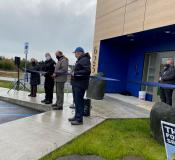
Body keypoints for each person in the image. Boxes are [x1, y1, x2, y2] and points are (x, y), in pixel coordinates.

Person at [69, 47, 91, 125]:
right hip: (76, 83)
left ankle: (79, 119)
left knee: (79, 102)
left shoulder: (85, 59)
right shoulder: (80, 60)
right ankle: (76, 116)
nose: (75, 54)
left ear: (79, 52)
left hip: (80, 84)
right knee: (76, 101)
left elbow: (87, 71)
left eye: (75, 53)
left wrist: (75, 73)